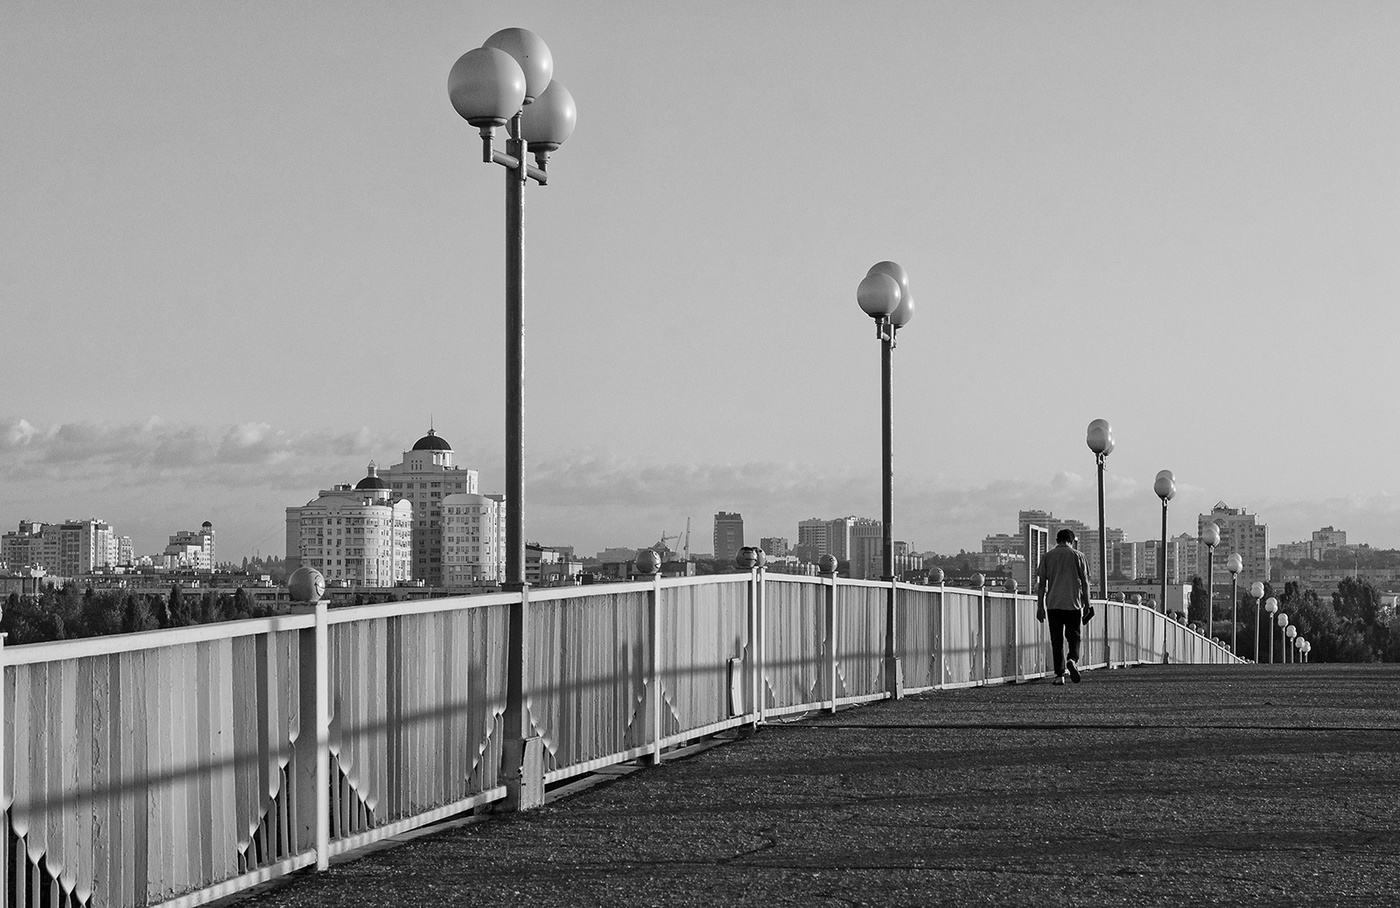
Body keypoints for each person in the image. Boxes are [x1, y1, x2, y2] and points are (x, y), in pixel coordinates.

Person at [1036, 528, 1092, 685]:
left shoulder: (1047, 557)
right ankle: (1072, 659)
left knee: (1057, 640)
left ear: (1056, 541)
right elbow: (1085, 582)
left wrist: (1040, 606)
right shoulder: (1078, 556)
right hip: (1073, 604)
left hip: (1053, 604)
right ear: (1072, 541)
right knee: (1074, 636)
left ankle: (1059, 675)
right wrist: (1088, 604)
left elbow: (1041, 585)